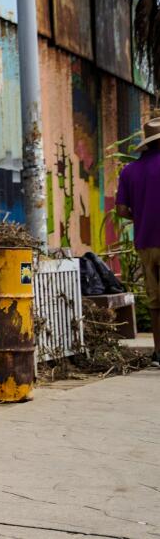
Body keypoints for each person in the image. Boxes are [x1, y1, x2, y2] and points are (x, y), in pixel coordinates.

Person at [115, 117, 160, 367]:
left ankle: (158, 353)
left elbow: (121, 209)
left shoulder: (130, 171)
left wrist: (141, 216)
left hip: (145, 243)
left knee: (155, 301)